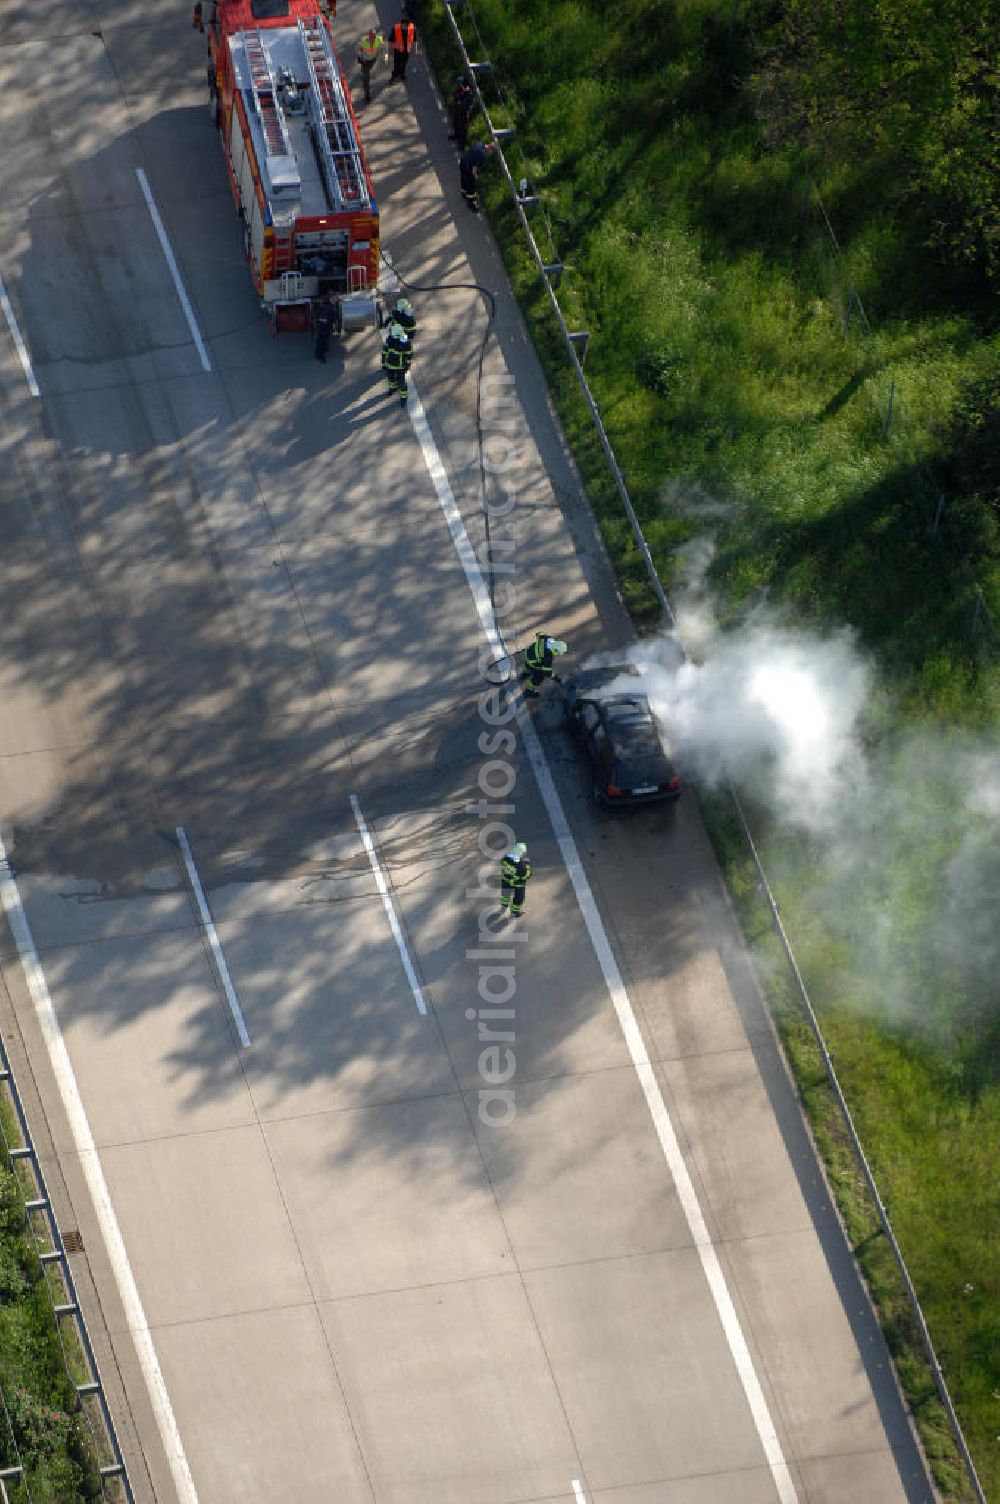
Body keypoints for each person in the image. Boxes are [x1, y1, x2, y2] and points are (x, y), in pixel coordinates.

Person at [382, 320, 413, 407]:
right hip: (390, 365)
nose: (390, 333)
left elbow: (409, 355)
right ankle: (392, 388)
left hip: (400, 367)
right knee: (391, 378)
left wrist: (407, 365)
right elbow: (384, 352)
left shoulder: (405, 344)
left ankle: (404, 397)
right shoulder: (389, 340)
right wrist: (384, 363)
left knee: (401, 382)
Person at [459, 140, 495, 212]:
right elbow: (474, 168)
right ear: (490, 149)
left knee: (463, 179)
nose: (490, 154)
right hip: (468, 169)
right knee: (471, 186)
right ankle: (471, 203)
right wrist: (475, 176)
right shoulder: (482, 155)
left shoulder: (479, 143)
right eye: (492, 152)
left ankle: (463, 192)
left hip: (463, 162)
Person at [499, 842, 532, 918]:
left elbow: (504, 863)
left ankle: (504, 906)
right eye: (523, 853)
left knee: (505, 895)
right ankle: (515, 912)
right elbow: (527, 875)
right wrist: (527, 865)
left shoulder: (506, 859)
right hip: (518, 885)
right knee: (518, 898)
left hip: (506, 882)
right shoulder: (522, 867)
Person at [355, 27, 385, 105]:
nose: (373, 38)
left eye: (374, 36)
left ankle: (363, 73)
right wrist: (361, 57)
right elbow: (357, 49)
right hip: (365, 61)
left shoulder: (378, 39)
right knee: (366, 78)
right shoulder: (363, 40)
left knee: (368, 70)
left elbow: (383, 47)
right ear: (369, 35)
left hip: (372, 60)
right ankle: (367, 96)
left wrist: (385, 56)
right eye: (372, 36)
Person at [449, 76, 476, 151]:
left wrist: (459, 102)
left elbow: (465, 105)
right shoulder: (460, 89)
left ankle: (462, 146)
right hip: (458, 110)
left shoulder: (469, 93)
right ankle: (456, 135)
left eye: (460, 84)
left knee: (463, 129)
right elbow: (455, 94)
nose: (460, 86)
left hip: (464, 113)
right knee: (456, 123)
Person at [389, 16, 417, 82]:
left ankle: (402, 74)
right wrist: (390, 49)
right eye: (402, 25)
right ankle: (394, 75)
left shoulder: (412, 29)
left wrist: (415, 49)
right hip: (397, 50)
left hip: (406, 50)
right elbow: (391, 40)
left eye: (404, 25)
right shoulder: (395, 28)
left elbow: (414, 40)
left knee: (404, 63)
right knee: (397, 63)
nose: (403, 26)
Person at [314, 293, 337, 364]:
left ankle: (322, 351)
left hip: (326, 327)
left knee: (324, 340)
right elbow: (319, 318)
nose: (336, 300)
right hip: (323, 327)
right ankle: (319, 355)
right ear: (330, 299)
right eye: (334, 298)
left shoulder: (329, 306)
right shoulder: (327, 307)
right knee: (322, 341)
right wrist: (327, 321)